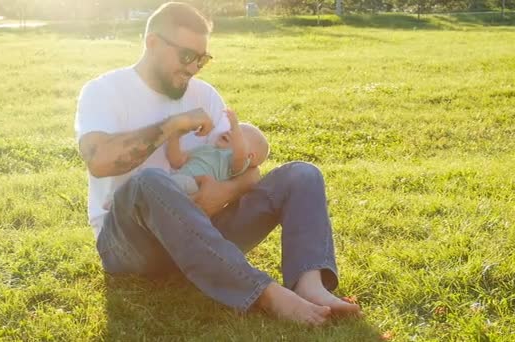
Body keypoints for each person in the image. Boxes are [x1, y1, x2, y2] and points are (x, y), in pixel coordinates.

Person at [75, 2, 361, 326]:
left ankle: (310, 284)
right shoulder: (104, 92)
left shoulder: (204, 95)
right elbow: (99, 161)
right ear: (152, 43)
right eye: (187, 56)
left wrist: (224, 190)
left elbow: (247, 168)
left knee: (302, 175)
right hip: (131, 245)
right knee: (148, 182)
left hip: (204, 229)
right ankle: (266, 294)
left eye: (202, 59)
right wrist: (173, 125)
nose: (194, 67)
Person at [166, 108, 269, 195]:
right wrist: (174, 137)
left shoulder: (233, 164)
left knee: (165, 184)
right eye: (230, 129)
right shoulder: (205, 149)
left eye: (240, 135)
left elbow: (240, 152)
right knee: (159, 179)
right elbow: (177, 162)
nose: (230, 132)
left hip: (195, 188)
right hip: (176, 179)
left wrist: (235, 125)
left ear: (249, 156)